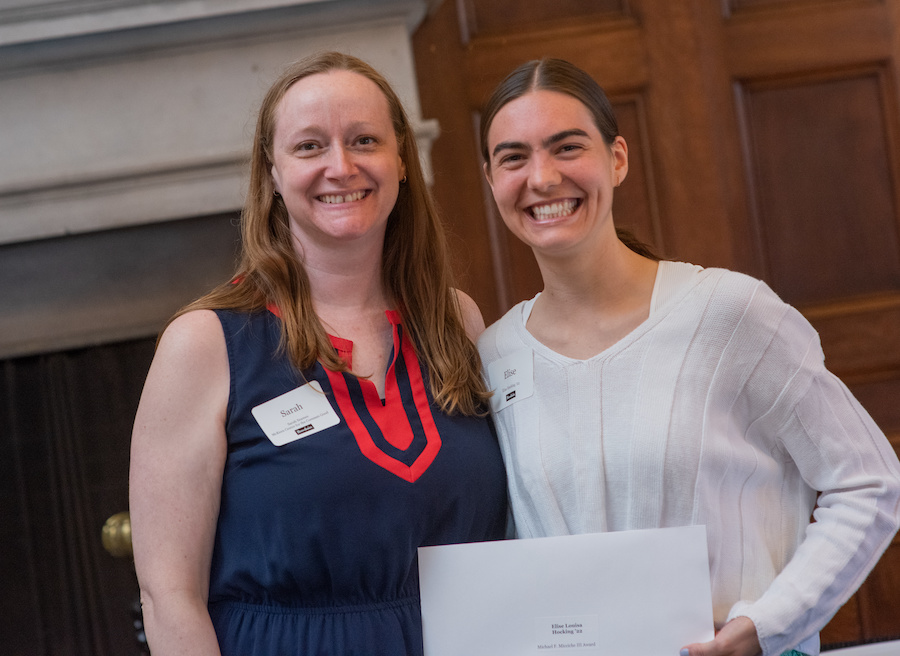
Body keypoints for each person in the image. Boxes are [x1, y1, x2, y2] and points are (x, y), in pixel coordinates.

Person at [476, 57, 900, 656]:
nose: (542, 177)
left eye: (567, 147)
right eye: (513, 157)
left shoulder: (729, 313)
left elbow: (870, 480)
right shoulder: (493, 357)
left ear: (617, 158)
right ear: (490, 179)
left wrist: (767, 626)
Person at [129, 51, 508, 656]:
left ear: (403, 160)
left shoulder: (455, 320)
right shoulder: (206, 343)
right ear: (272, 171)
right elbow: (169, 594)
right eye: (309, 146)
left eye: (364, 140)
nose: (341, 166)